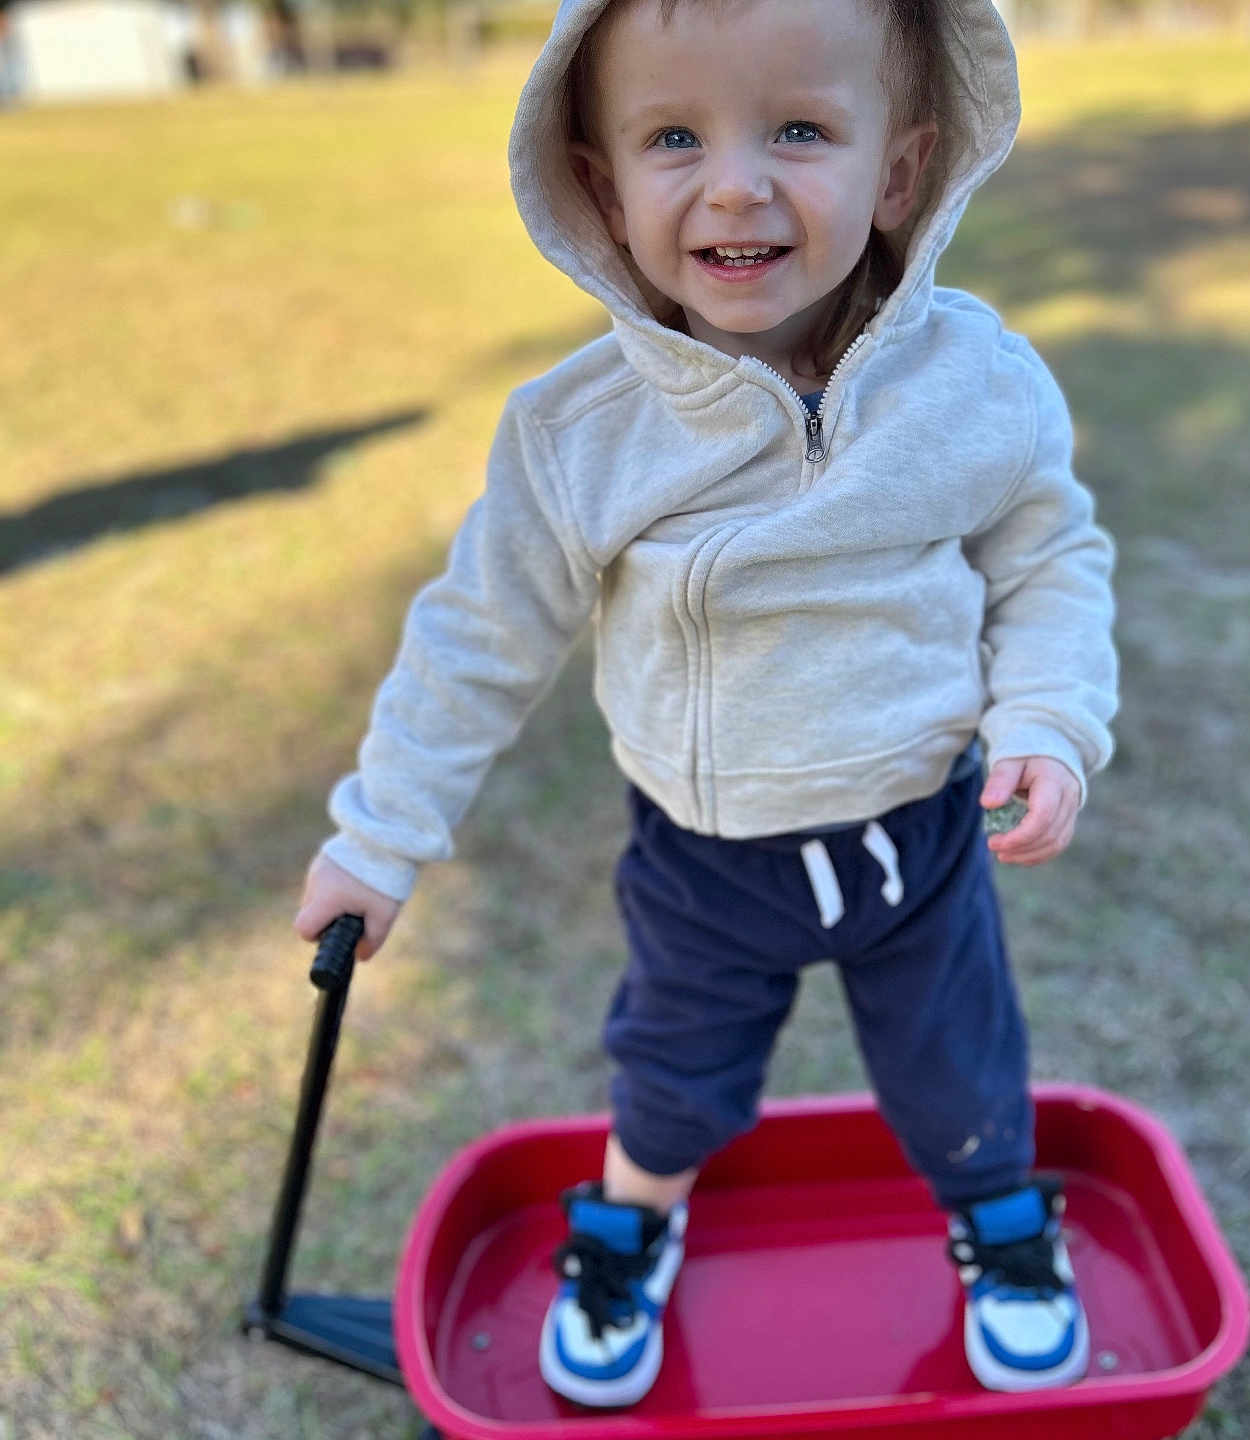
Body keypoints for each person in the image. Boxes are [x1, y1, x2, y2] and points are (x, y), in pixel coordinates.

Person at [294, 0, 1118, 1408]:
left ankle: (998, 1224)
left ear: (900, 173)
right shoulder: (584, 435)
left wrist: (1046, 719)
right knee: (671, 1071)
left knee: (958, 1062)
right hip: (705, 855)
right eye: (675, 137)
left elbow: (1048, 557)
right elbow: (477, 640)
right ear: (605, 189)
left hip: (915, 834)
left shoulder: (970, 383)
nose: (737, 183)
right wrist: (382, 837)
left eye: (799, 130)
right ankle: (633, 1231)